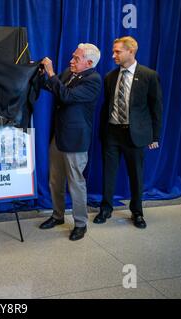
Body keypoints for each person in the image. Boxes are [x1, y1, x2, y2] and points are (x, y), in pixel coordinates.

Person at [93, 36, 162, 228]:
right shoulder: (110, 76)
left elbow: (156, 108)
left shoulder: (149, 76)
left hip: (136, 134)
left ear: (130, 51)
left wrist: (154, 136)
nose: (113, 54)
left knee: (136, 175)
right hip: (112, 133)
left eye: (117, 51)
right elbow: (107, 106)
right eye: (114, 51)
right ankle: (105, 209)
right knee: (108, 173)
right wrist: (103, 132)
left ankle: (137, 213)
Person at [39, 43, 102, 241]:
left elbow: (66, 97)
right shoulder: (68, 72)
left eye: (76, 58)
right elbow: (52, 86)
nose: (71, 61)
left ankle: (80, 224)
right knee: (55, 181)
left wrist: (51, 73)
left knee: (76, 183)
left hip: (75, 141)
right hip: (58, 136)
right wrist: (40, 73)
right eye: (73, 56)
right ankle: (57, 216)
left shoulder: (93, 80)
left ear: (89, 63)